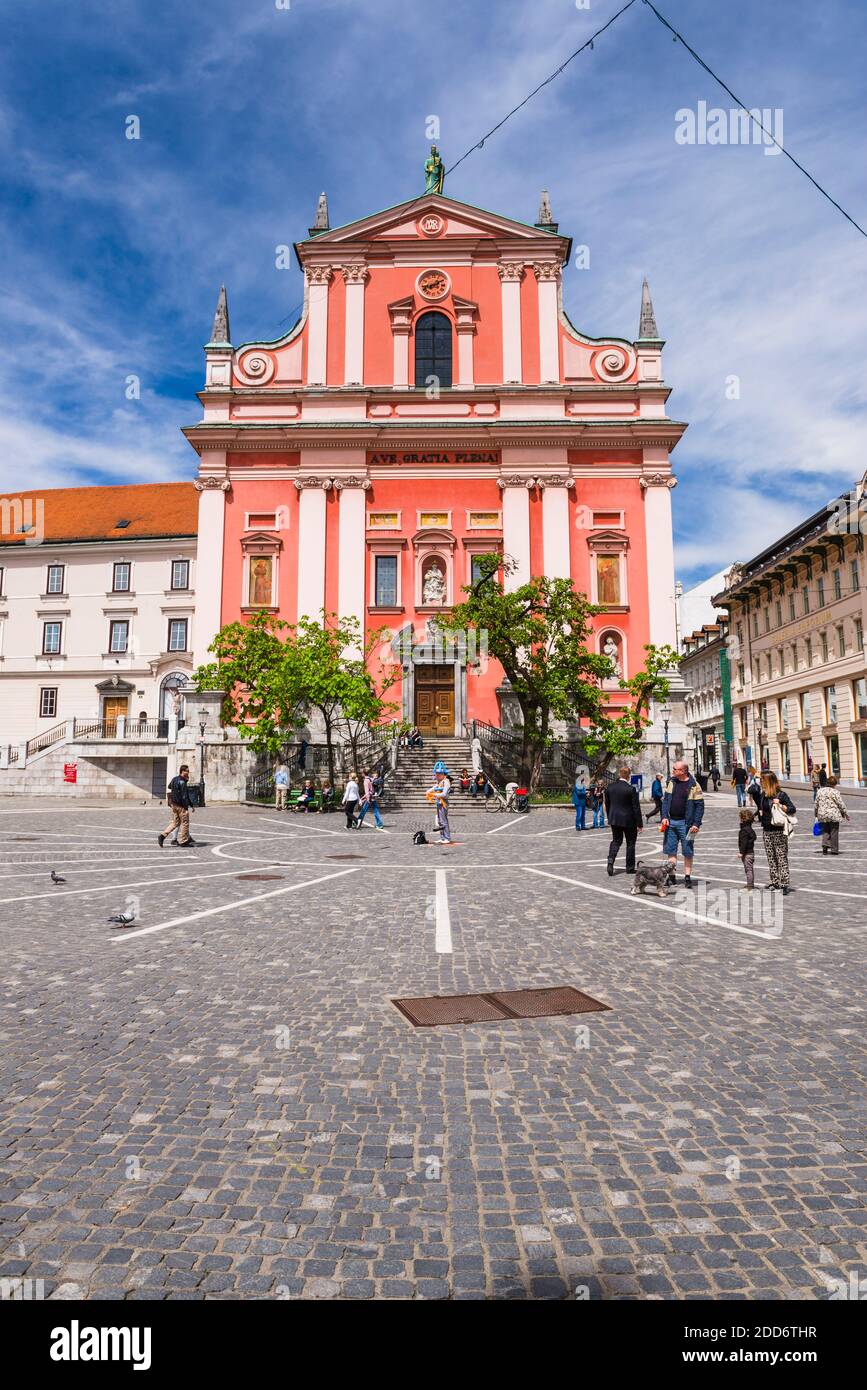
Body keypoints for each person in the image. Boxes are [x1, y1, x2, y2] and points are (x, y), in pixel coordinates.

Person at [750, 770, 796, 894]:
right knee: (771, 857)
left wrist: (781, 805)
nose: (761, 783)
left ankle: (784, 883)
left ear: (768, 781)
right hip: (767, 830)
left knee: (781, 857)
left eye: (762, 781)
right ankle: (775, 882)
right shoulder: (763, 795)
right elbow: (753, 794)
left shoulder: (781, 795)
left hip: (779, 830)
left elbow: (792, 808)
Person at [660, 760, 705, 888]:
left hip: (688, 825)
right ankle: (672, 876)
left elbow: (700, 806)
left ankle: (687, 877)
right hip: (671, 823)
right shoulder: (671, 782)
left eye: (675, 769)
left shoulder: (694, 785)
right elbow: (666, 801)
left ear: (683, 771)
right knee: (671, 850)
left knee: (688, 851)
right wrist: (664, 817)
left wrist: (696, 823)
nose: (673, 771)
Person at [604, 767, 643, 875]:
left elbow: (607, 804)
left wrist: (610, 816)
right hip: (628, 820)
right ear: (629, 775)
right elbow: (636, 807)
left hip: (614, 819)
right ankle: (630, 867)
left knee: (616, 841)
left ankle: (610, 861)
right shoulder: (630, 789)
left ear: (620, 774)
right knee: (630, 843)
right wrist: (639, 824)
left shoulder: (610, 787)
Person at [158, 764, 196, 847]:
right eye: (187, 771)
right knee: (185, 823)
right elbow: (184, 796)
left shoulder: (175, 779)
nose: (188, 773)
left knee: (175, 823)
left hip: (173, 804)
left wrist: (176, 790)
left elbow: (169, 786)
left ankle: (162, 836)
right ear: (183, 771)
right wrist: (188, 806)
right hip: (180, 805)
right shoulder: (182, 782)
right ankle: (184, 841)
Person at [814, 775, 849, 855]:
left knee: (825, 830)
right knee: (834, 831)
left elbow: (816, 804)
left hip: (822, 814)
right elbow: (841, 804)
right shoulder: (835, 792)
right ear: (835, 784)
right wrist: (846, 814)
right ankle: (834, 850)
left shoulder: (820, 791)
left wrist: (816, 813)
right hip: (834, 815)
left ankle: (825, 848)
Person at [426, 760, 452, 843]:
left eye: (438, 774)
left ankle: (447, 837)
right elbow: (434, 787)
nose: (436, 776)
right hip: (439, 803)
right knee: (440, 821)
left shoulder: (446, 782)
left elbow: (444, 794)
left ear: (442, 774)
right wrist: (428, 792)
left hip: (443, 803)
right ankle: (442, 837)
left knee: (444, 821)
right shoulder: (439, 782)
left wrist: (434, 794)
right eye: (436, 774)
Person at [738, 807, 757, 890]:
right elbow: (754, 837)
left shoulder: (744, 831)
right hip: (751, 852)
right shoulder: (750, 829)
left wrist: (741, 852)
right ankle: (750, 883)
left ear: (742, 819)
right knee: (749, 869)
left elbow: (744, 843)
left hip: (747, 853)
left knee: (748, 869)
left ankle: (750, 885)